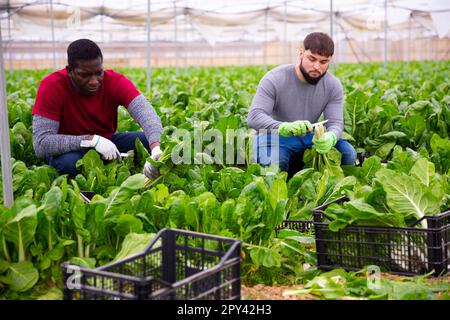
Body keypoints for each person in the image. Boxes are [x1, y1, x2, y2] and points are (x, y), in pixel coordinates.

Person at [32, 38, 162, 179]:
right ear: (70, 71)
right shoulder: (52, 86)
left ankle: (120, 163)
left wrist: (155, 149)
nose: (94, 81)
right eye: (85, 75)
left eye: (98, 73)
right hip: (70, 150)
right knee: (71, 164)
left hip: (108, 142)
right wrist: (91, 140)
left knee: (149, 141)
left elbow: (146, 113)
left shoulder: (114, 81)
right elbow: (41, 143)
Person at [247, 32, 356, 177]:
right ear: (301, 53)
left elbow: (336, 122)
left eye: (324, 62)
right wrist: (283, 127)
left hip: (309, 137)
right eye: (312, 59)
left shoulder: (332, 85)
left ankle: (339, 194)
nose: (317, 66)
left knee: (348, 154)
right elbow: (254, 117)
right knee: (275, 164)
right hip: (274, 136)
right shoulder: (274, 78)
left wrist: (331, 137)